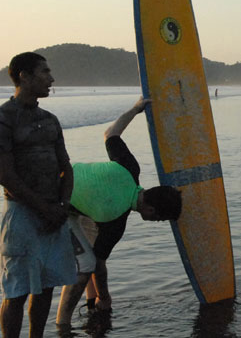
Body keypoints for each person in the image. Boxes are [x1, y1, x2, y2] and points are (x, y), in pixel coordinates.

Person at [55, 97, 182, 328]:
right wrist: (107, 298)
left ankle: (91, 302)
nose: (156, 222)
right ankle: (63, 324)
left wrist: (135, 109)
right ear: (151, 210)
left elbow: (111, 132)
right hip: (57, 204)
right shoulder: (116, 222)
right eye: (159, 219)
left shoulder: (130, 168)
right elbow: (99, 268)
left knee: (91, 248)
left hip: (67, 185)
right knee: (87, 266)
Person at [0, 52, 77, 338]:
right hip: (21, 214)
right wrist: (44, 208)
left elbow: (65, 167)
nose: (51, 78)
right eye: (45, 72)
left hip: (54, 214)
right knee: (17, 288)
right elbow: (6, 175)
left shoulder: (51, 119)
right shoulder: (5, 117)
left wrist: (62, 205)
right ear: (24, 76)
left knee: (46, 286)